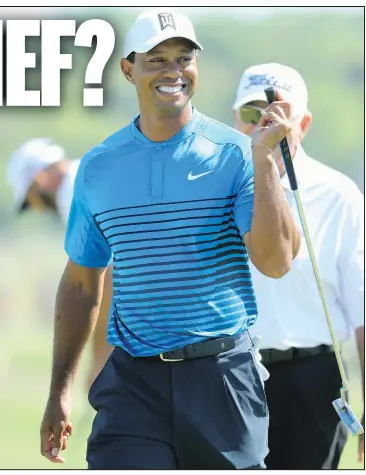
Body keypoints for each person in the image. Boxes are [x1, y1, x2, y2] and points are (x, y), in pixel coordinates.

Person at [39, 9, 301, 470]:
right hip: (133, 382)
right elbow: (82, 283)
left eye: (183, 58)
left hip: (221, 378)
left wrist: (264, 162)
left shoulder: (237, 154)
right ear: (128, 69)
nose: (172, 71)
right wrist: (59, 392)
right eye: (156, 59)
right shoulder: (99, 167)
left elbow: (276, 262)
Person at [233, 62, 365, 469]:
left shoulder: (338, 193)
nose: (264, 124)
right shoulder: (216, 189)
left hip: (314, 378)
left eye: (278, 113)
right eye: (252, 114)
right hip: (233, 377)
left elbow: (361, 313)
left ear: (302, 123)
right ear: (236, 121)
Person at [6, 138, 113, 390]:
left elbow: (104, 278)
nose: (41, 210)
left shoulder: (71, 192)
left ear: (41, 179)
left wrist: (100, 360)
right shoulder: (88, 171)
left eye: (33, 199)